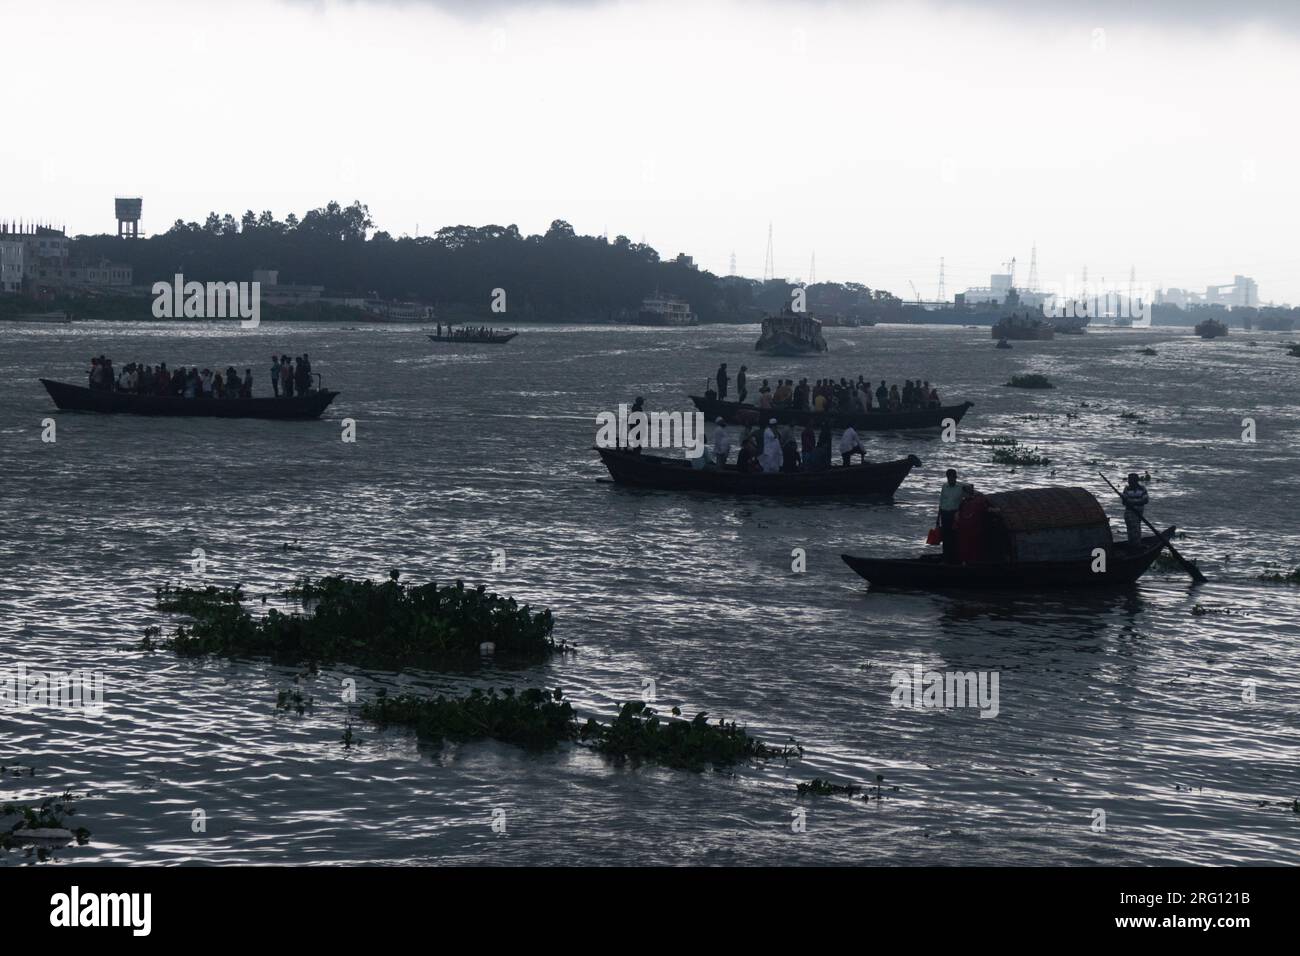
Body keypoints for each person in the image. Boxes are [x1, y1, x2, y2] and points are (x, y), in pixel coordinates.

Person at [956, 484, 989, 564]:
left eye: (964, 492)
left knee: (971, 547)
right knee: (966, 547)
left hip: (972, 530)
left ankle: (970, 562)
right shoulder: (964, 503)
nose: (962, 494)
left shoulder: (976, 502)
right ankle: (966, 561)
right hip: (965, 530)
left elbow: (985, 508)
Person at [938, 468, 963, 563]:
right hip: (944, 513)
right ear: (947, 478)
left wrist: (959, 512)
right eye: (950, 478)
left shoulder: (960, 487)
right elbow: (941, 502)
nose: (952, 480)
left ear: (955, 478)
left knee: (954, 536)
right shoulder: (944, 486)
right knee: (945, 536)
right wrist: (938, 518)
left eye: (953, 478)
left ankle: (954, 558)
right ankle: (946, 557)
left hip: (954, 514)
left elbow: (970, 494)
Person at [1121, 472, 1149, 545]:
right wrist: (1137, 501)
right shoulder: (1127, 489)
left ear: (1136, 481)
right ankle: (1134, 545)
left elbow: (1145, 500)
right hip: (1129, 513)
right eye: (1129, 480)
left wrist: (1132, 502)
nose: (1129, 482)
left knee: (1137, 530)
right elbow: (1124, 502)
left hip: (1139, 513)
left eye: (1131, 480)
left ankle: (1136, 545)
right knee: (1132, 530)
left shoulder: (1142, 489)